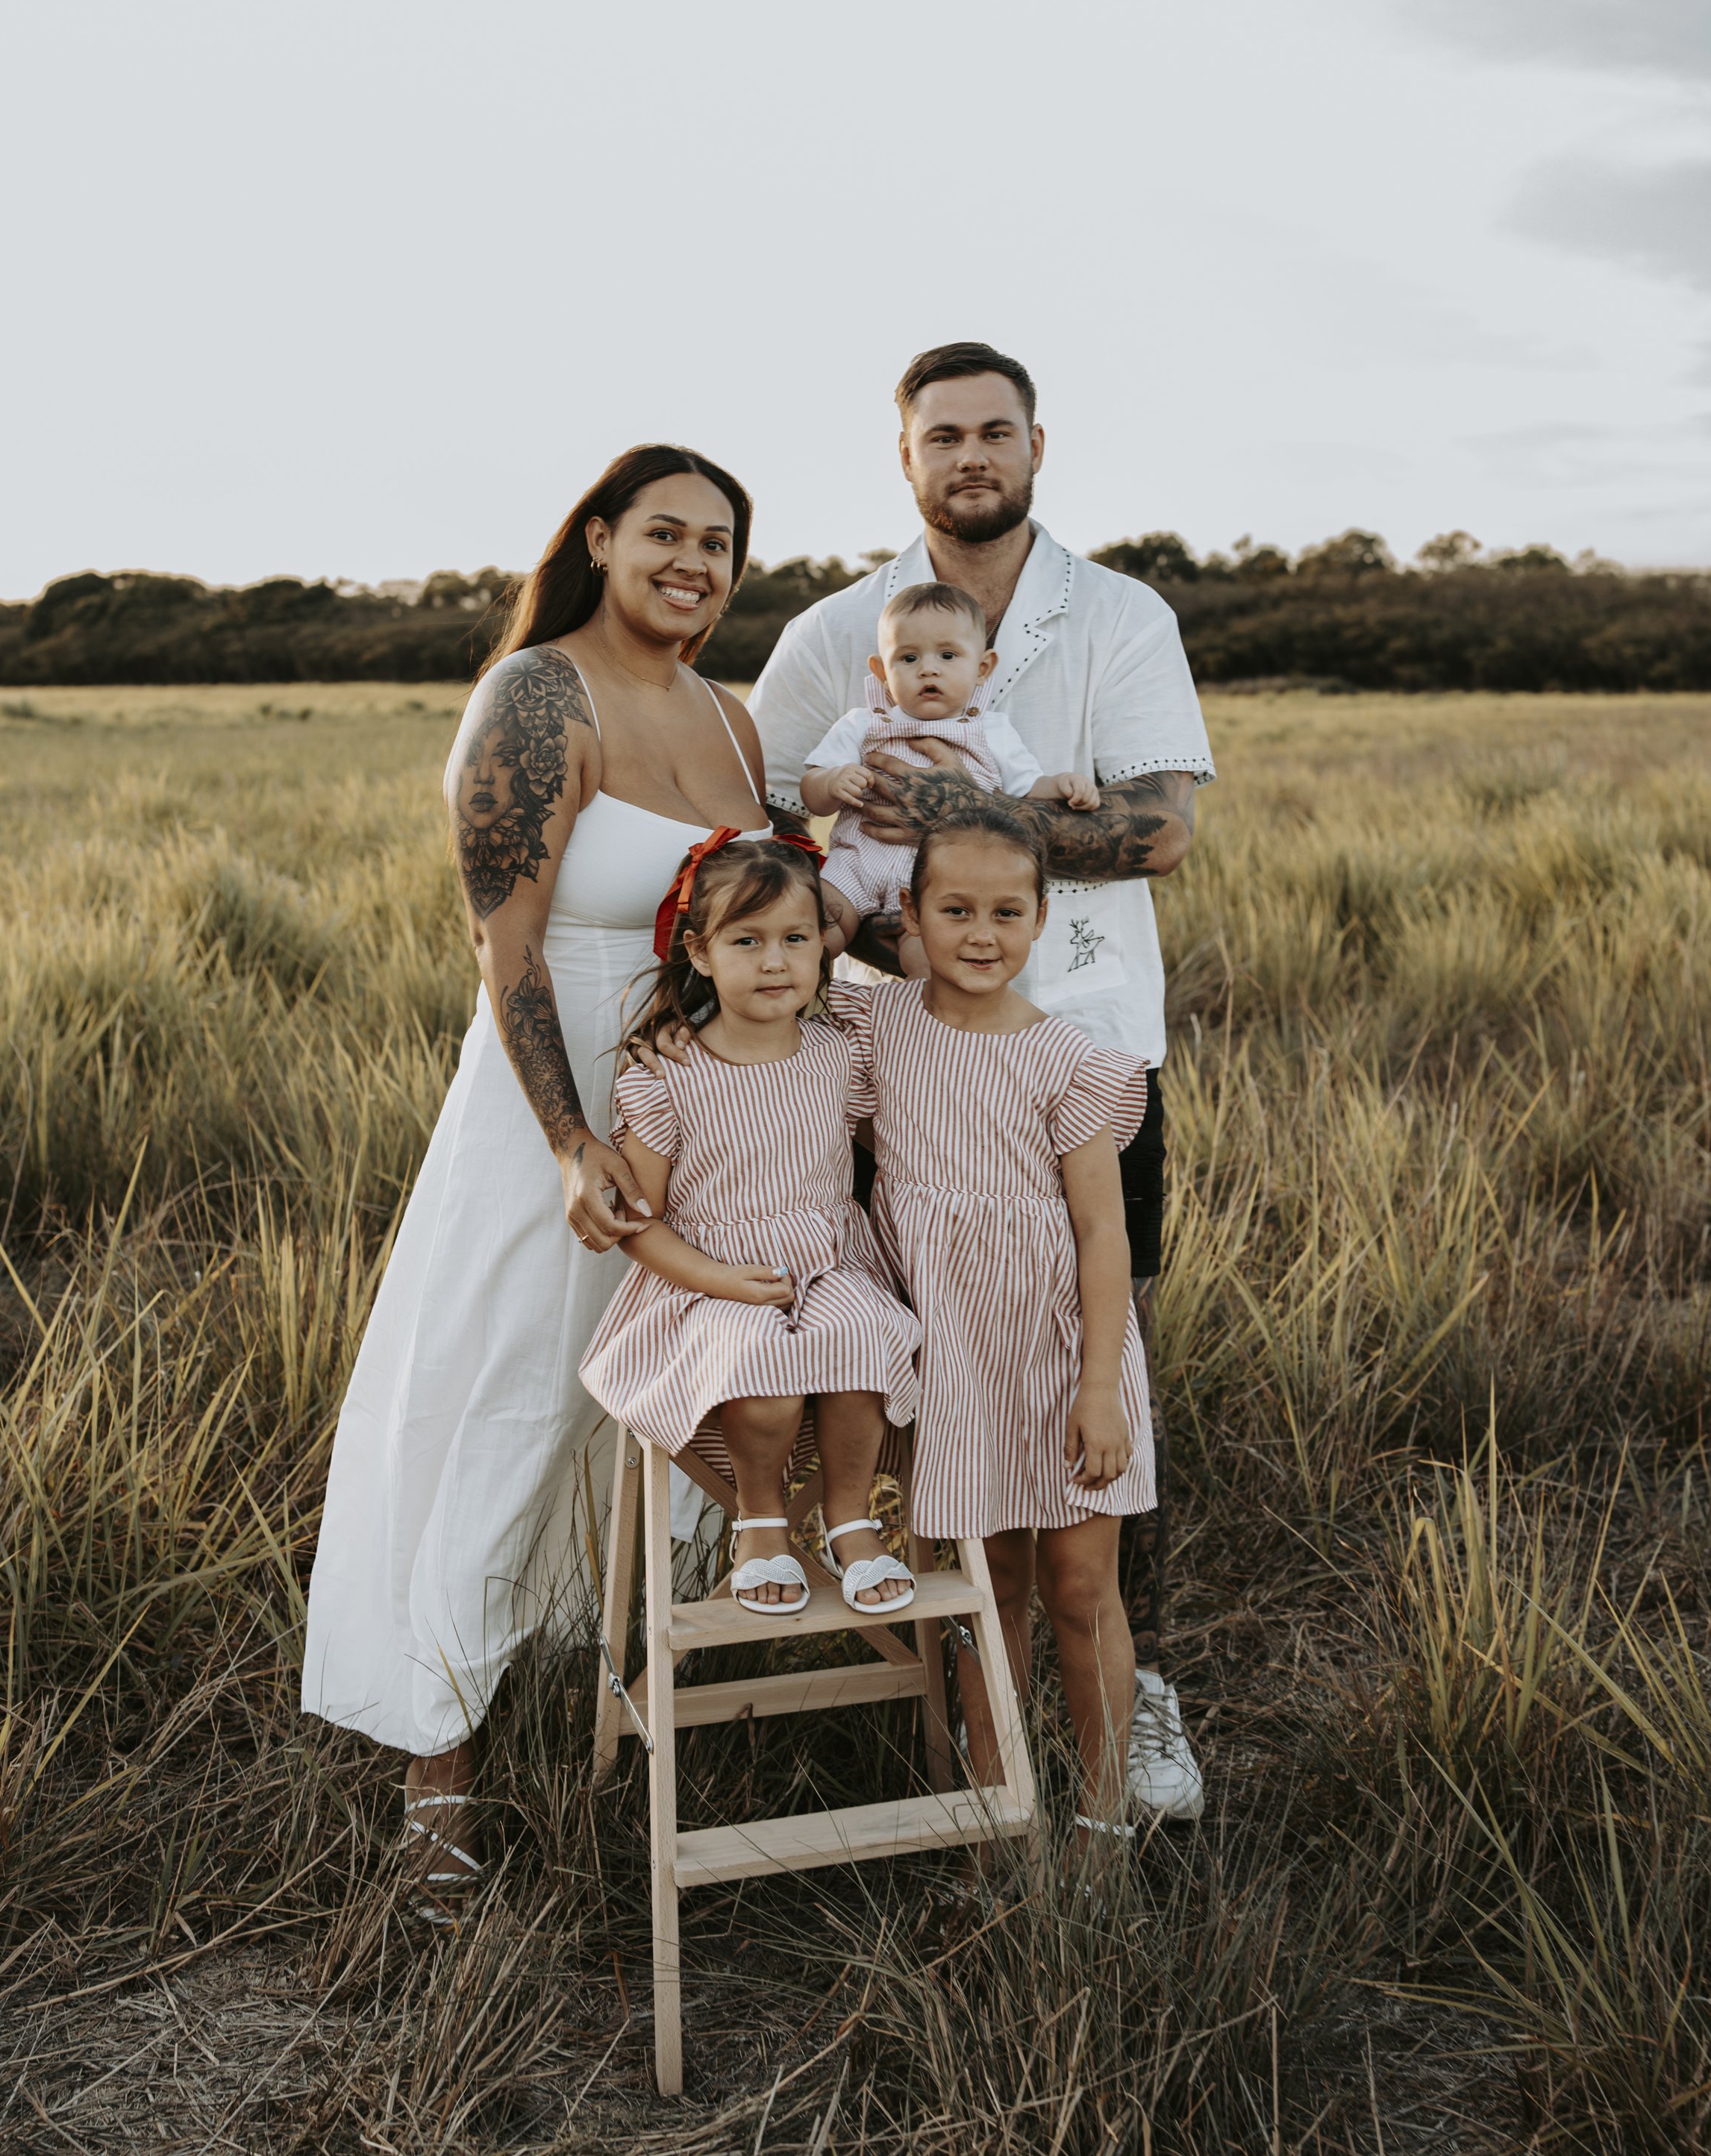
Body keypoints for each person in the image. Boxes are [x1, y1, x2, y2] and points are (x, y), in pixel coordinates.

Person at [301, 441, 783, 1915]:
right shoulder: (536, 695)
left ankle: (616, 1695)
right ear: (597, 536)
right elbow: (503, 948)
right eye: (664, 534)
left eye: (718, 544)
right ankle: (435, 1770)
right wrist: (569, 1140)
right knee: (514, 1389)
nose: (692, 565)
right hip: (552, 1096)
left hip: (699, 1101)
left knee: (662, 1386)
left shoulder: (729, 712)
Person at [750, 339, 1213, 1820]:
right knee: (910, 1377)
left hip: (1086, 1047)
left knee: (1097, 1367)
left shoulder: (1118, 614)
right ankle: (948, 1694)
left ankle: (1122, 1697)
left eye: (992, 431)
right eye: (938, 434)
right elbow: (754, 795)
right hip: (900, 1061)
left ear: (1034, 445)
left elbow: (1155, 830)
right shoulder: (837, 629)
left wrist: (970, 808)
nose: (968, 455)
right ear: (904, 459)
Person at [832, 806, 1153, 1840]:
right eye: (954, 908)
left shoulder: (1070, 1058)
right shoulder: (874, 1027)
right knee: (985, 1585)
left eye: (1007, 911)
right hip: (954, 1351)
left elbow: (1104, 1231)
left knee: (1079, 1581)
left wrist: (1101, 1386)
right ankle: (993, 1809)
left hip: (1064, 1349)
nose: (981, 932)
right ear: (911, 917)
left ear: (1043, 917)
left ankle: (1103, 1817)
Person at [579, 834, 922, 1615]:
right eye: (748, 940)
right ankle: (761, 1522)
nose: (775, 962)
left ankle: (851, 1518)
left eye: (795, 940)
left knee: (864, 1340)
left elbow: (889, 1146)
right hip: (710, 1280)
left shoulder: (837, 1055)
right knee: (758, 1363)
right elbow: (640, 1220)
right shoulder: (668, 1072)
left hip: (829, 1265)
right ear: (699, 952)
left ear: (821, 950)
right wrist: (716, 1278)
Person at [800, 577, 1098, 974]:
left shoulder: (993, 733)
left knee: (928, 960)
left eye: (947, 656)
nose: (928, 670)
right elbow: (812, 795)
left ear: (982, 668)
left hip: (936, 880)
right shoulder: (862, 725)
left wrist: (1063, 784)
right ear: (881, 671)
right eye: (908, 659)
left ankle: (933, 1032)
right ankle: (790, 1021)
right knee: (810, 936)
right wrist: (831, 782)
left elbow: (1028, 789)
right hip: (853, 864)